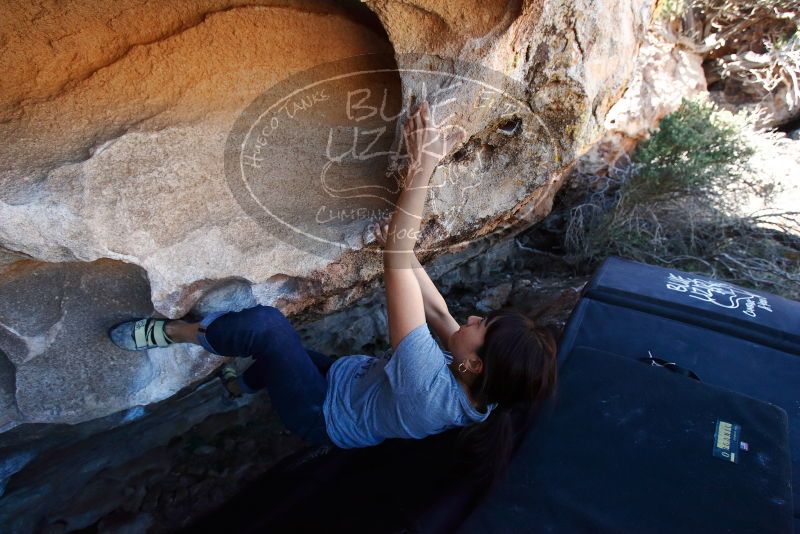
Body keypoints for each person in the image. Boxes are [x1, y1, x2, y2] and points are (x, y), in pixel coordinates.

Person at [109, 100, 558, 482]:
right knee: (280, 360)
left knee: (269, 330)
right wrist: (401, 251)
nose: (475, 317)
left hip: (322, 414)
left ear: (473, 363)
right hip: (350, 381)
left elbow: (395, 263)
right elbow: (439, 313)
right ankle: (240, 385)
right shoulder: (481, 386)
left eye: (484, 325)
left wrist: (423, 167)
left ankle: (174, 333)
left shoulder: (427, 388)